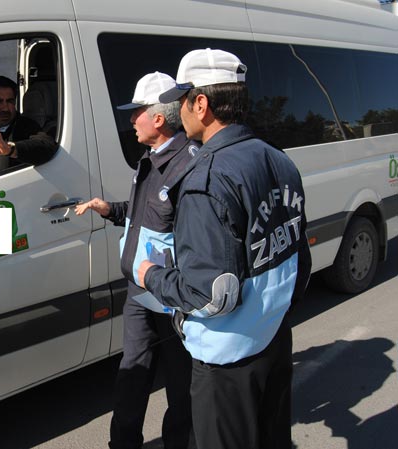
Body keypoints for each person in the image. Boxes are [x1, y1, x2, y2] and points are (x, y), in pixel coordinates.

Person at [137, 49, 312, 449]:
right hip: (275, 339)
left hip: (227, 358)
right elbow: (298, 257)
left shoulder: (208, 178)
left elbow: (207, 293)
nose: (179, 110)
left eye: (182, 100)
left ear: (201, 104)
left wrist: (151, 274)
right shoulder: (278, 159)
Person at [76, 72, 198, 449]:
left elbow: (197, 236)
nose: (131, 120)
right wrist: (111, 210)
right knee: (131, 376)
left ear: (158, 119)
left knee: (181, 387)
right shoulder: (150, 158)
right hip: (139, 293)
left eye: (137, 112)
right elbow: (146, 214)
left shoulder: (189, 165)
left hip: (173, 298)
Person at [0, 74, 58, 179]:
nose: (5, 108)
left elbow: (46, 146)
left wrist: (10, 149)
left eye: (10, 101)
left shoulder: (23, 126)